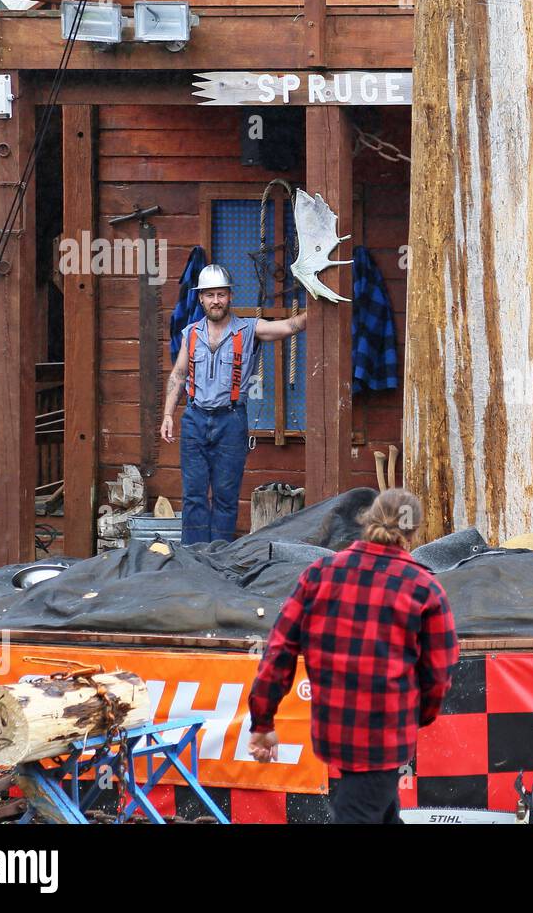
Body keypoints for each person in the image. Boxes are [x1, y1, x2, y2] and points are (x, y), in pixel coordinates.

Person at [246, 489, 459, 824]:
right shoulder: (424, 588)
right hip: (386, 737)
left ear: (367, 520)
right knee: (368, 809)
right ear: (413, 532)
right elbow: (439, 673)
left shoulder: (320, 574)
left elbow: (279, 651)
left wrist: (263, 720)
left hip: (337, 733)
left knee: (375, 810)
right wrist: (415, 717)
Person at [161, 264, 307, 544]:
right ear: (201, 298)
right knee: (193, 496)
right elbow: (179, 375)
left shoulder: (250, 329)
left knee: (226, 497)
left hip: (231, 421)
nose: (216, 300)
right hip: (194, 419)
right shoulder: (190, 333)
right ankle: (193, 558)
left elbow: (291, 325)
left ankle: (220, 558)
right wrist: (168, 414)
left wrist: (317, 307)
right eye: (210, 295)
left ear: (230, 297)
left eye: (221, 294)